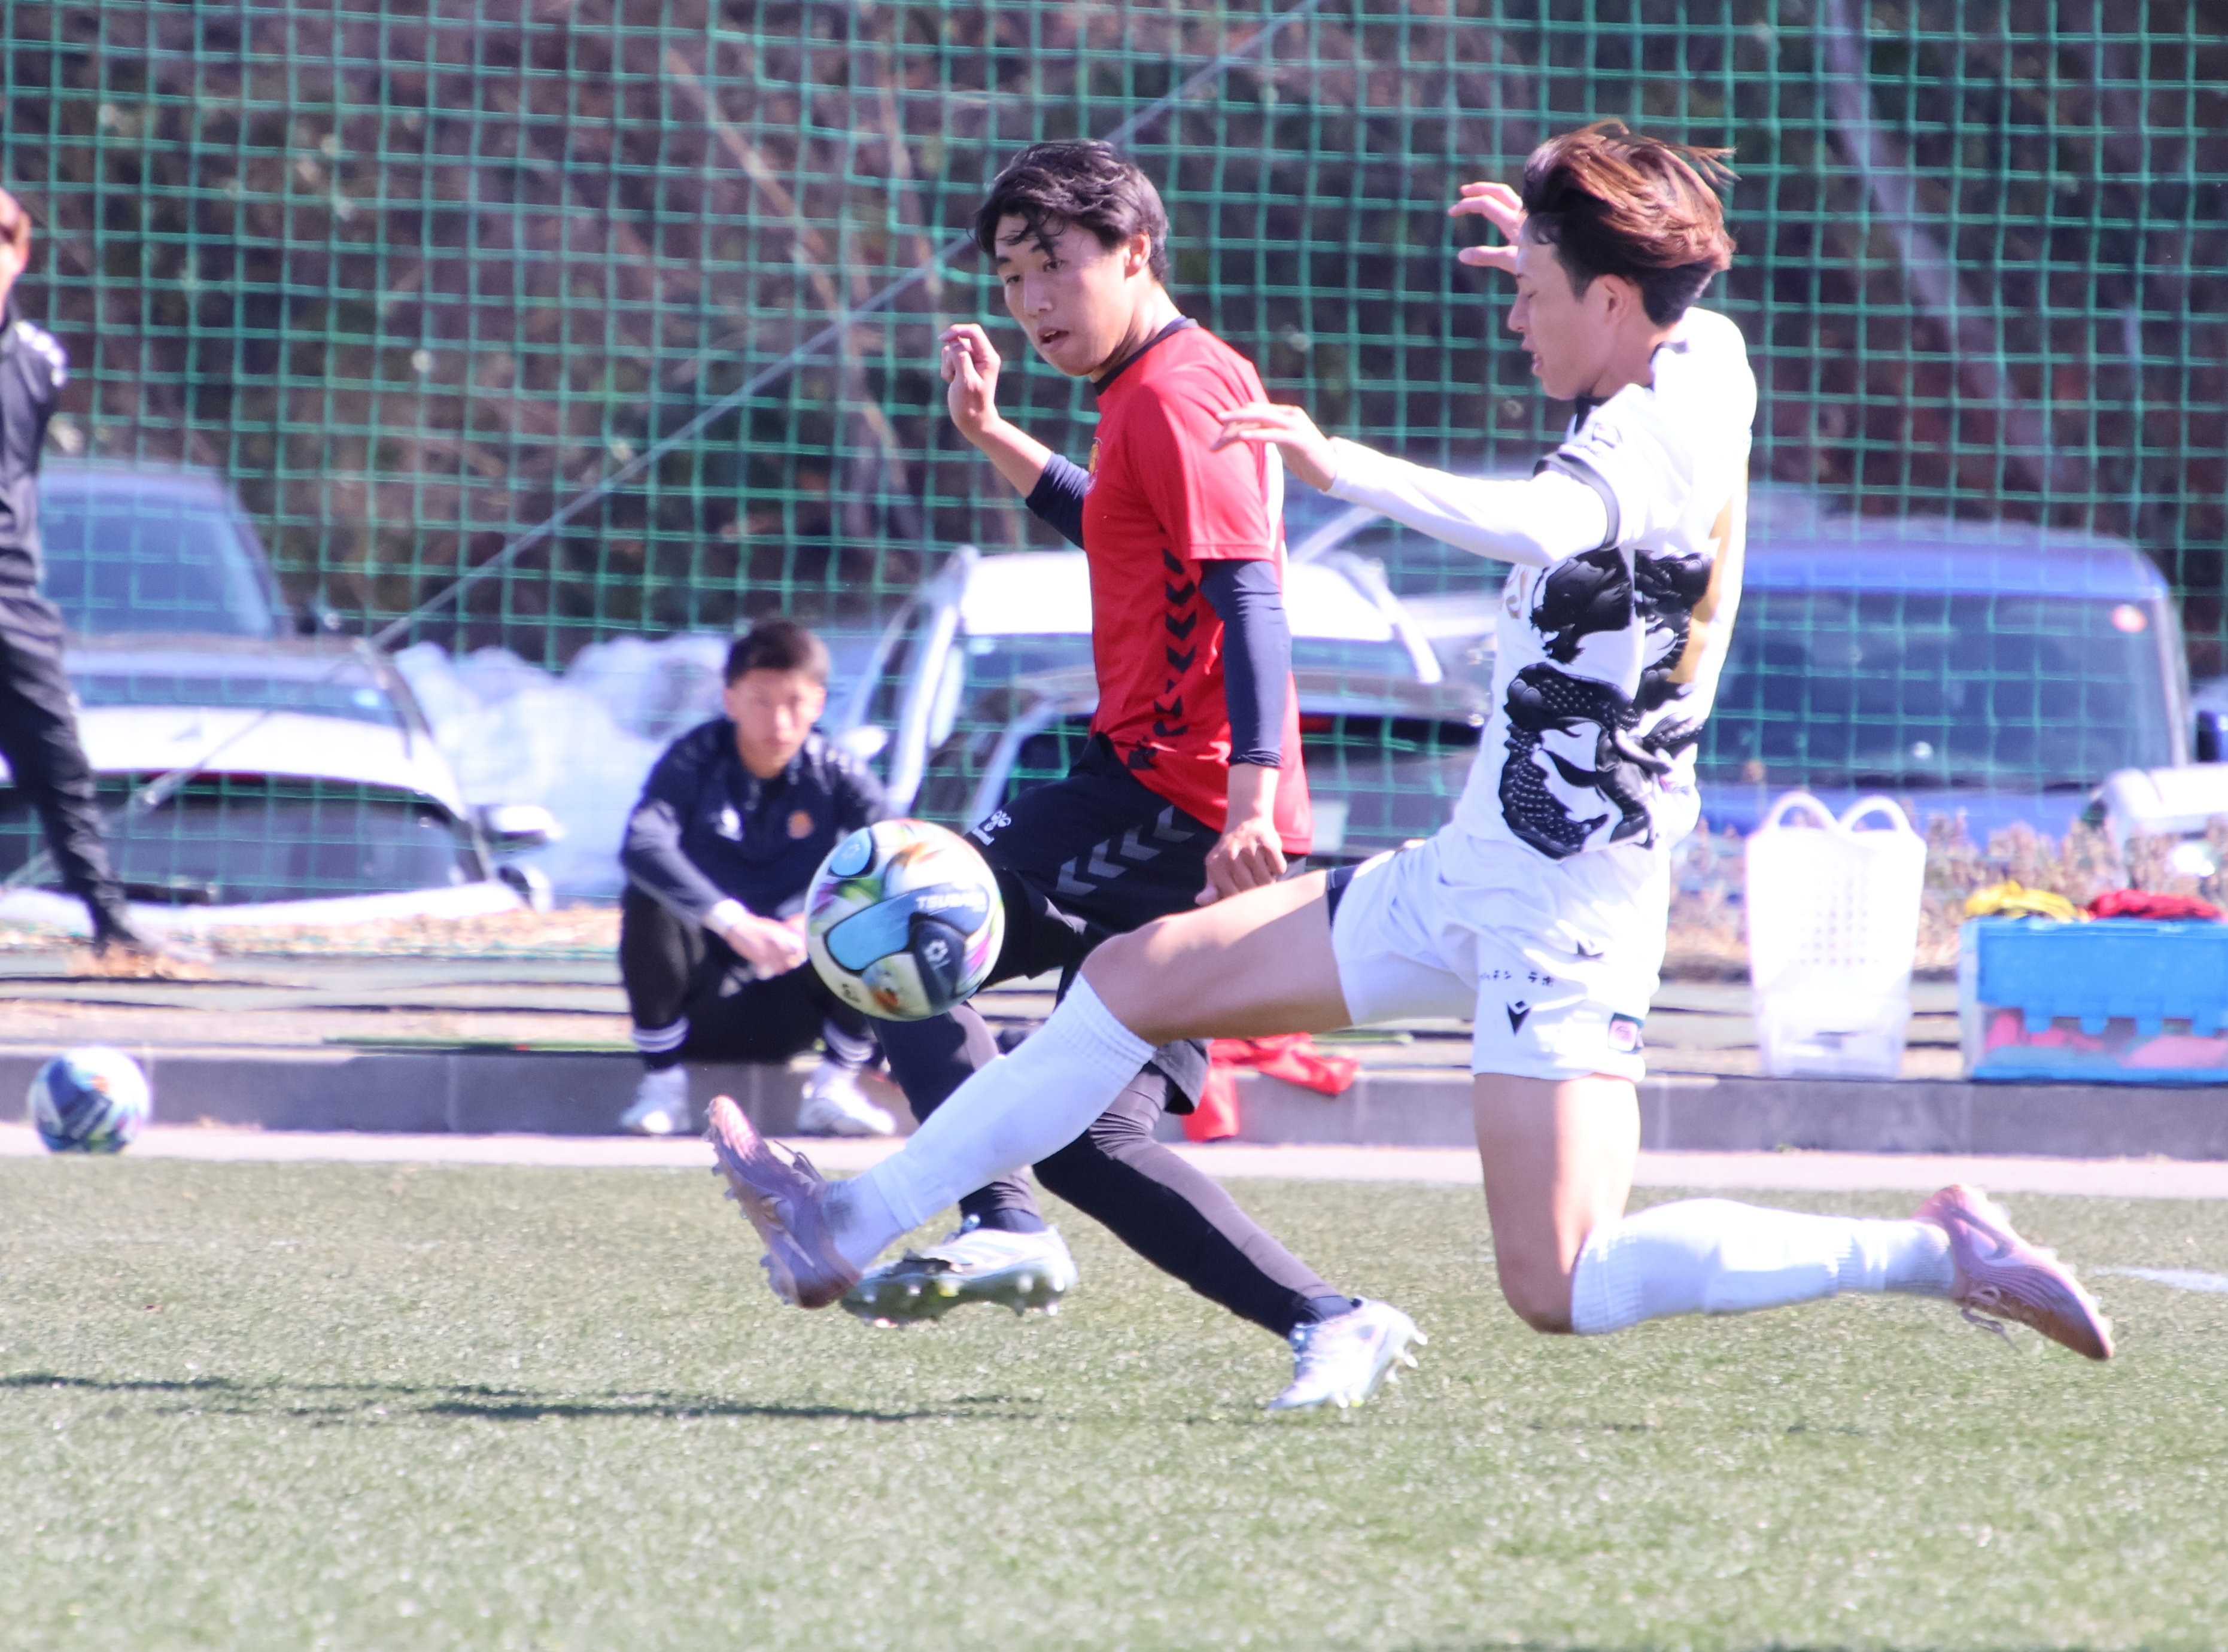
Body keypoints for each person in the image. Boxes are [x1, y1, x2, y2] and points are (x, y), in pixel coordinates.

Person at [705, 123, 2114, 1369]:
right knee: (1130, 982)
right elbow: (1653, 310)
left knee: (1560, 1281)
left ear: (1606, 299)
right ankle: (847, 1220)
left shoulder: (1640, 449)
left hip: (1567, 907)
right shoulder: (1703, 350)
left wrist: (1341, 466)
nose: (1513, 319)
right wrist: (1550, 241)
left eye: (1536, 295)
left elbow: (1529, 524)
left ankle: (1930, 1253)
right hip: (1468, 864)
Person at [730, 141, 1425, 1413]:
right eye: (1011, 277)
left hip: (1177, 806)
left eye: (1054, 266)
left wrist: (1249, 797)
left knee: (892, 914)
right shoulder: (1145, 392)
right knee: (1096, 1142)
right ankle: (1331, 1319)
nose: (1033, 301)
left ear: (1134, 252)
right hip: (1160, 791)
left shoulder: (1177, 388)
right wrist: (994, 433)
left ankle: (996, 1220)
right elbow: (1116, 520)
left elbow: (1251, 598)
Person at [616, 619, 893, 1139]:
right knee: (646, 894)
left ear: (818, 703)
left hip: (797, 999)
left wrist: (810, 924)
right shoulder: (694, 759)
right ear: (730, 700)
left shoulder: (837, 771)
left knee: (887, 901)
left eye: (794, 702)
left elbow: (899, 854)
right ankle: (664, 1089)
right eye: (761, 701)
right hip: (701, 1002)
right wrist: (734, 923)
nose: (779, 721)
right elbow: (642, 841)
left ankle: (833, 1088)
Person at [0, 188, 158, 957]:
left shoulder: (39, 361)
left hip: (9, 599)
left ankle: (113, 927)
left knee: (57, 757)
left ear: (20, 254)